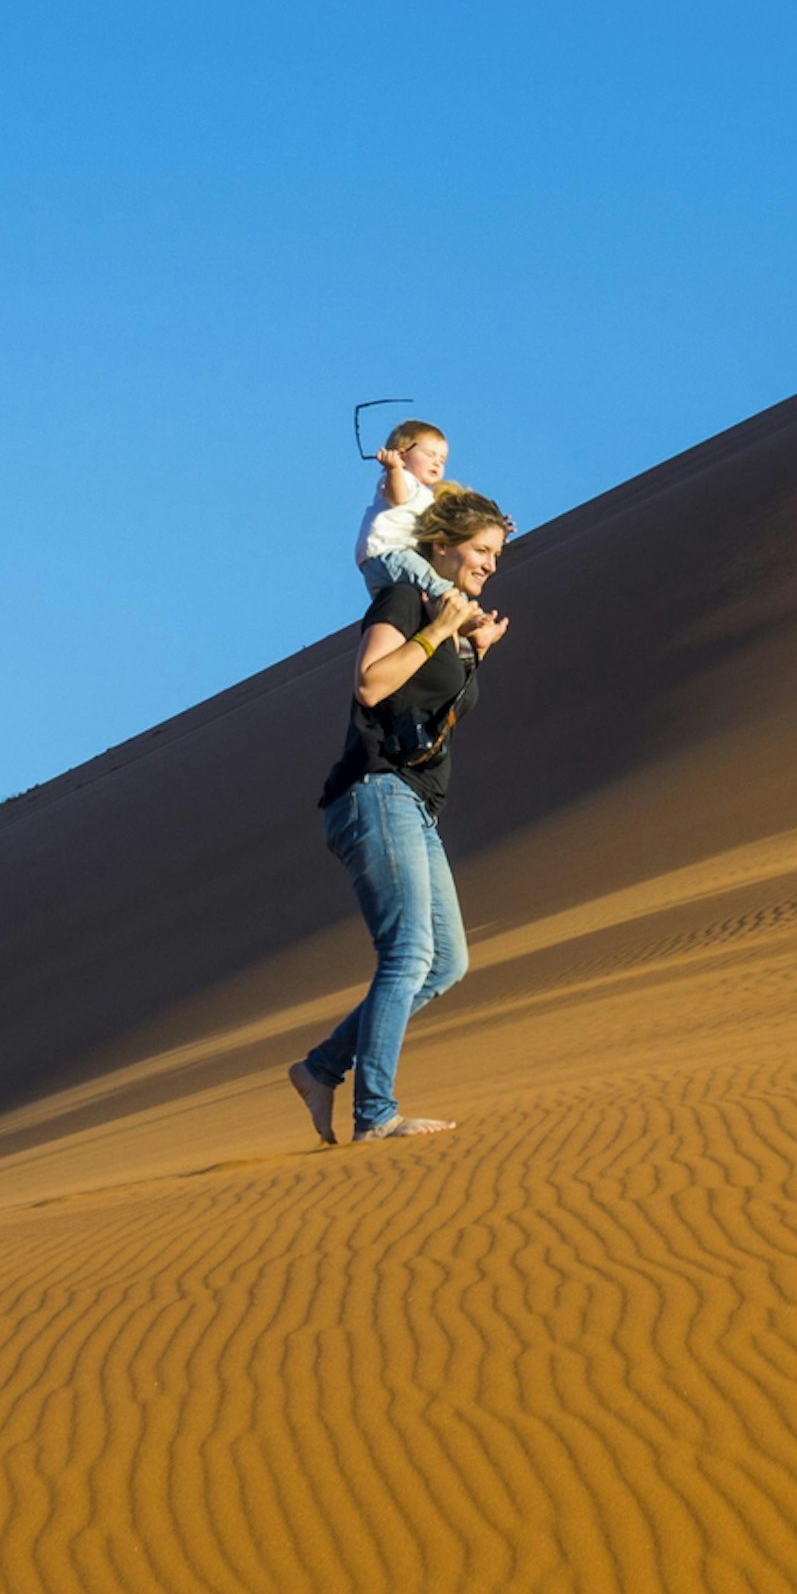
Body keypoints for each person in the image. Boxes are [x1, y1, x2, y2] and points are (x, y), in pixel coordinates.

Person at [289, 484, 516, 1145]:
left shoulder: (446, 621)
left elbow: (424, 705)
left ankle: (321, 1067)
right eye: (481, 550)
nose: (491, 565)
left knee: (446, 963)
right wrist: (443, 629)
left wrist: (471, 652)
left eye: (497, 553)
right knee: (409, 951)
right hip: (375, 790)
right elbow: (371, 683)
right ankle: (375, 1115)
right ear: (440, 547)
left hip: (414, 802)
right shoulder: (401, 599)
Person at [356, 417, 454, 596]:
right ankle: (465, 612)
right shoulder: (403, 479)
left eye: (443, 460)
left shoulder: (426, 496)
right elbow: (397, 498)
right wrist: (394, 469)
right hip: (391, 552)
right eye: (430, 455)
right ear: (402, 456)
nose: (437, 463)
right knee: (438, 587)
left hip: (384, 562)